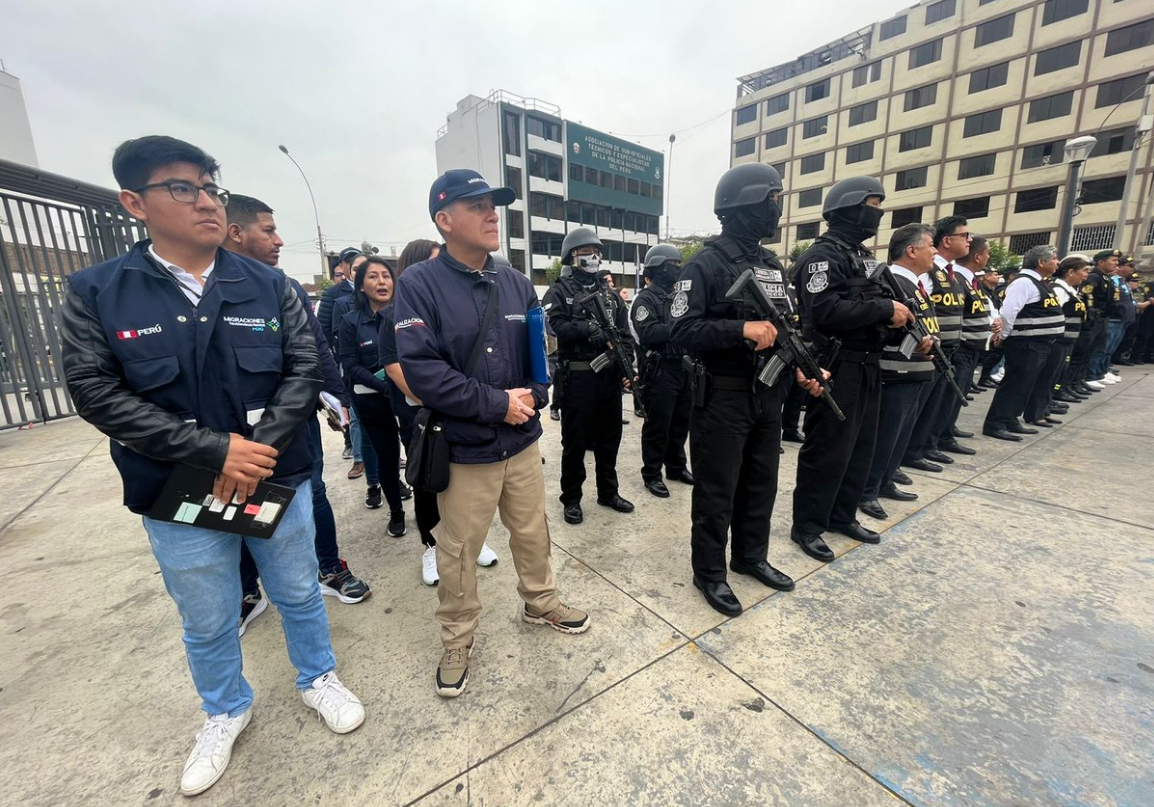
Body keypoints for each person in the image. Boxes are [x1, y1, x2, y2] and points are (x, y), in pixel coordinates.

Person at [60, 136, 363, 797]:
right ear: (134, 202)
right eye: (183, 188)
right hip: (178, 491)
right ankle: (226, 707)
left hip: (271, 476)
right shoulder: (98, 292)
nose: (204, 201)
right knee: (207, 613)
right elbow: (95, 390)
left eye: (210, 188)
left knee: (298, 590)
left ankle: (317, 676)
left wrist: (252, 456)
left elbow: (303, 368)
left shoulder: (268, 285)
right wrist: (214, 451)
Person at [395, 169, 589, 698]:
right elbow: (423, 373)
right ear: (444, 219)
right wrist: (497, 404)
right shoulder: (418, 286)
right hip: (465, 449)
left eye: (493, 204)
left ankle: (541, 602)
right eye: (476, 205)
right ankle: (458, 637)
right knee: (458, 550)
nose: (491, 214)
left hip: (521, 443)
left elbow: (538, 352)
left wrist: (533, 396)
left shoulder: (517, 282)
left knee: (532, 532)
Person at [670, 162, 827, 615]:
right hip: (723, 394)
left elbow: (785, 326)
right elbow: (681, 328)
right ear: (744, 204)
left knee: (761, 481)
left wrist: (802, 368)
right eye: (771, 200)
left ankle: (750, 556)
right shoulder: (705, 263)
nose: (776, 209)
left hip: (769, 391)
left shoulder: (770, 263)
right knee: (717, 490)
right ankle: (710, 572)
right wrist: (740, 328)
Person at [223, 194, 370, 623]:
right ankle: (248, 591)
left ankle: (328, 567)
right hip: (230, 430)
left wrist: (336, 396)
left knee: (313, 492)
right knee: (234, 507)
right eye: (268, 230)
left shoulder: (281, 288)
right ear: (236, 232)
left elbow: (315, 349)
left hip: (292, 422)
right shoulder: (205, 290)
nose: (279, 240)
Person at [791, 176, 914, 563]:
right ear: (850, 207)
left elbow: (884, 300)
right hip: (836, 363)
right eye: (872, 204)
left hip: (868, 364)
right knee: (828, 449)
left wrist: (900, 318)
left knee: (861, 446)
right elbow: (825, 310)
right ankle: (808, 526)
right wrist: (883, 310)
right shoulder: (822, 257)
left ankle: (841, 515)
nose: (877, 213)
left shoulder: (861, 256)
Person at [380, 238, 499, 585]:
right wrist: (439, 396)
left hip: (462, 407)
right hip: (423, 414)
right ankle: (431, 545)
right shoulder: (395, 313)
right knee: (429, 481)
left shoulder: (453, 306)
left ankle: (470, 540)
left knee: (468, 482)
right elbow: (394, 367)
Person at [543, 227, 636, 525]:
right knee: (575, 442)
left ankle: (608, 492)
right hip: (578, 379)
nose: (593, 256)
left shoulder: (610, 295)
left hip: (608, 378)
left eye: (597, 251)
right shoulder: (559, 291)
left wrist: (627, 368)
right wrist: (588, 330)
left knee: (610, 439)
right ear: (573, 256)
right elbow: (554, 327)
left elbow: (624, 335)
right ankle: (571, 498)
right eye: (586, 252)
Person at [859, 224, 938, 522]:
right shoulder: (891, 283)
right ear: (911, 250)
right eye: (930, 245)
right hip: (895, 373)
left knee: (900, 436)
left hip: (917, 372)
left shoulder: (916, 285)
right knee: (883, 437)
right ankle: (867, 490)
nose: (934, 251)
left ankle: (885, 480)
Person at [338, 256, 407, 538]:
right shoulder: (350, 321)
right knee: (387, 459)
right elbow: (350, 365)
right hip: (372, 401)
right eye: (373, 276)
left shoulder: (406, 316)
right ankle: (397, 512)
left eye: (386, 276)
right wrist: (384, 387)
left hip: (409, 398)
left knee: (421, 455)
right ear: (361, 285)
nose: (382, 282)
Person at [901, 216, 969, 472]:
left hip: (945, 348)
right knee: (919, 408)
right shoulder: (927, 274)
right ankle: (912, 451)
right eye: (964, 235)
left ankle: (926, 445)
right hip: (925, 351)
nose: (969, 241)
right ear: (947, 240)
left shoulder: (949, 274)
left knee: (937, 403)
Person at [982, 245, 1064, 441]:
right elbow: (1009, 312)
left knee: (1025, 384)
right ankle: (996, 423)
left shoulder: (1039, 282)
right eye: (1053, 258)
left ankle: (1010, 418)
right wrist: (1003, 335)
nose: (1057, 262)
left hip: (1039, 343)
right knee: (1015, 383)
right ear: (1041, 262)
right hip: (1026, 343)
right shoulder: (1024, 283)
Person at [631, 243, 694, 497]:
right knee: (658, 426)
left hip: (683, 368)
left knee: (681, 423)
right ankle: (652, 473)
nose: (676, 270)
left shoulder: (681, 296)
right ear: (657, 268)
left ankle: (676, 467)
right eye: (672, 265)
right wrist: (681, 328)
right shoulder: (645, 299)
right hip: (660, 370)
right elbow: (649, 333)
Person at [317, 246, 360, 462]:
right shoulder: (333, 295)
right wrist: (331, 361)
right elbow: (323, 330)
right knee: (347, 403)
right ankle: (350, 444)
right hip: (343, 357)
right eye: (349, 261)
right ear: (343, 266)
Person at [1050, 255, 1091, 406]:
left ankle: (1050, 399)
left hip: (1068, 340)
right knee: (1052, 373)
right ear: (1071, 272)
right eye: (1084, 270)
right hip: (1058, 340)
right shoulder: (1058, 290)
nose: (1086, 274)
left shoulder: (1071, 290)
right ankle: (1048, 399)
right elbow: (1053, 314)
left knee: (1061, 370)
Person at [1084, 249, 1122, 386]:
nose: (1116, 263)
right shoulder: (1094, 277)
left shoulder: (1105, 278)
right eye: (1113, 260)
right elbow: (1088, 297)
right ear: (1101, 262)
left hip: (1103, 318)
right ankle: (1088, 376)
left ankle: (1093, 375)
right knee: (1089, 350)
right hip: (1094, 319)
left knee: (1099, 348)